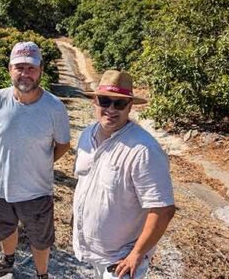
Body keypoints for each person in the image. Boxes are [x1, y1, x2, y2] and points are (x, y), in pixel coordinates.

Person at [0, 41, 71, 278]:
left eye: (31, 68)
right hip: (0, 187)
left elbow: (63, 145)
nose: (25, 73)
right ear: (10, 69)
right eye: (19, 67)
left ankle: (42, 275)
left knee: (40, 239)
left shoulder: (54, 107)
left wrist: (41, 162)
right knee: (4, 228)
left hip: (36, 190)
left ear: (40, 70)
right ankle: (7, 261)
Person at [72, 70, 176, 279]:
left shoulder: (143, 150)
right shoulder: (86, 135)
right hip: (93, 253)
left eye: (119, 104)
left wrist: (136, 254)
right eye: (105, 101)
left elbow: (163, 210)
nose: (110, 109)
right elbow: (85, 183)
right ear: (95, 101)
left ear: (130, 106)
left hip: (121, 261)